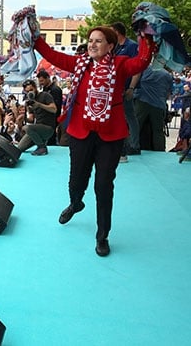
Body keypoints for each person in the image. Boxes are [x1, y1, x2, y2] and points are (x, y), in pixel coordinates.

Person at [34, 24, 156, 257]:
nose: (92, 44)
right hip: (81, 132)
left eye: (98, 41)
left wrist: (145, 37)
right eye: (90, 40)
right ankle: (76, 202)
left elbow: (140, 62)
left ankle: (102, 236)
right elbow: (52, 56)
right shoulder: (79, 63)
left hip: (110, 135)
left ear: (111, 46)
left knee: (103, 185)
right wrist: (36, 39)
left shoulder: (120, 65)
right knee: (76, 179)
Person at [112, 22, 142, 159]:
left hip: (127, 88)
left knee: (129, 116)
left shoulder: (131, 47)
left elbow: (137, 69)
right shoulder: (116, 48)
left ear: (117, 32)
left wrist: (131, 87)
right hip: (117, 88)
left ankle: (133, 145)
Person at [134, 66, 173, 151]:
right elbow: (168, 93)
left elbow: (136, 82)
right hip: (158, 104)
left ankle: (132, 147)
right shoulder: (167, 75)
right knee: (158, 131)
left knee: (135, 127)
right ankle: (160, 150)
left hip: (142, 101)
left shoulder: (144, 69)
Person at [17, 79, 57, 155]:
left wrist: (39, 105)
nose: (30, 93)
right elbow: (31, 120)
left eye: (31, 90)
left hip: (48, 128)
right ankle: (40, 144)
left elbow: (54, 109)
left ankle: (42, 147)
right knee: (19, 148)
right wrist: (22, 118)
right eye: (27, 91)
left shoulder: (45, 95)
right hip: (37, 129)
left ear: (35, 87)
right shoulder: (30, 101)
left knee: (27, 128)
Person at [37, 69, 63, 145]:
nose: (41, 83)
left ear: (48, 78)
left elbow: (56, 106)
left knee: (51, 137)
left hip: (53, 118)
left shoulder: (55, 90)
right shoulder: (45, 89)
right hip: (45, 117)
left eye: (42, 81)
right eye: (40, 81)